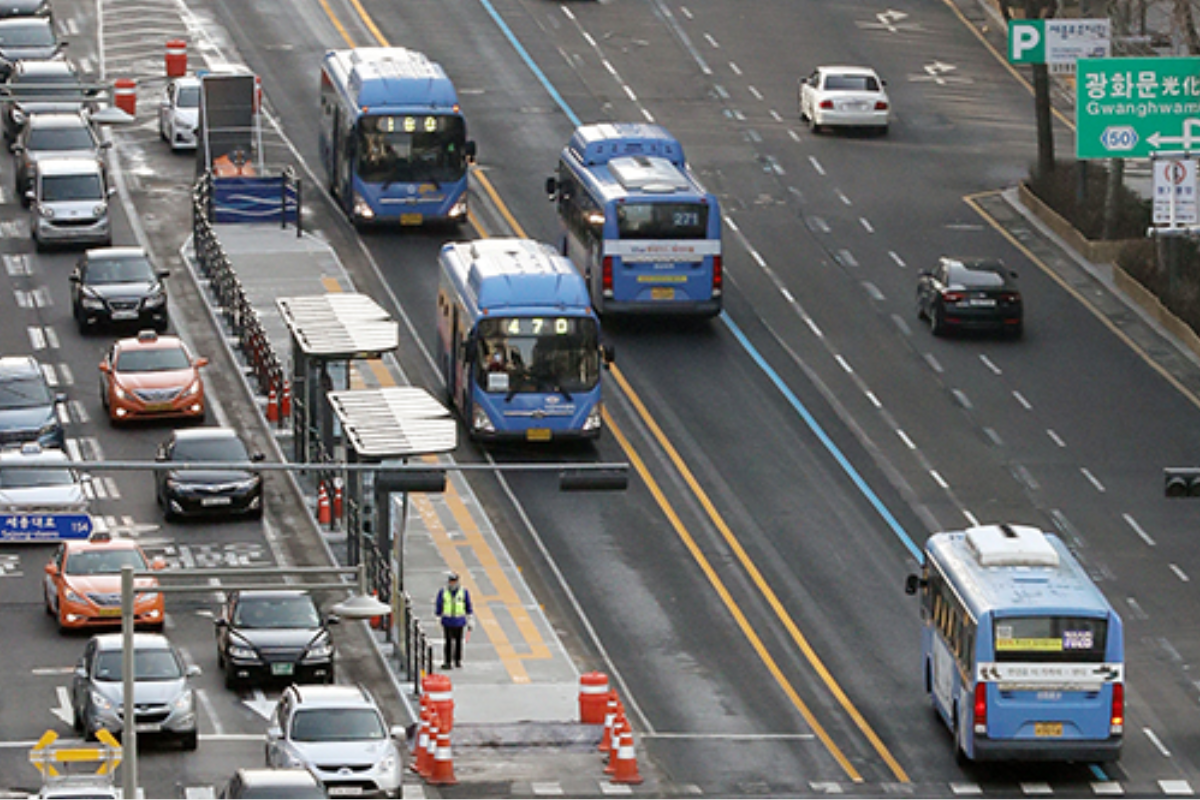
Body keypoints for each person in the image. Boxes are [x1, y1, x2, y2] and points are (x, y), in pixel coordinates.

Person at [434, 572, 473, 669]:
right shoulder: (443, 592)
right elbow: (439, 605)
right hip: (447, 620)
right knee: (448, 642)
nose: (452, 583)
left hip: (459, 620)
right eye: (451, 581)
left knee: (459, 641)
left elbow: (468, 605)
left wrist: (470, 618)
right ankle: (447, 661)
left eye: (454, 581)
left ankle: (457, 660)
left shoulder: (463, 592)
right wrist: (438, 618)